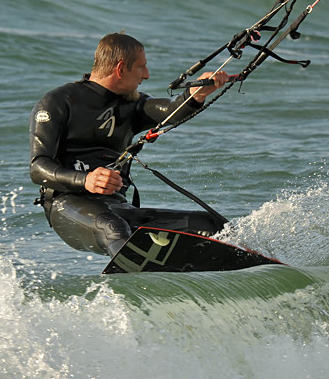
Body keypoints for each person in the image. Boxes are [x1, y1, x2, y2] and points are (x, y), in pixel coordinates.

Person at [30, 32, 229, 257]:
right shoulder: (58, 102)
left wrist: (196, 94)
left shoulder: (133, 105)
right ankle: (132, 286)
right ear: (121, 68)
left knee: (213, 225)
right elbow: (38, 168)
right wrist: (86, 180)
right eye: (141, 67)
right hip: (68, 206)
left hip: (117, 207)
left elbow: (170, 110)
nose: (147, 75)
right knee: (113, 229)